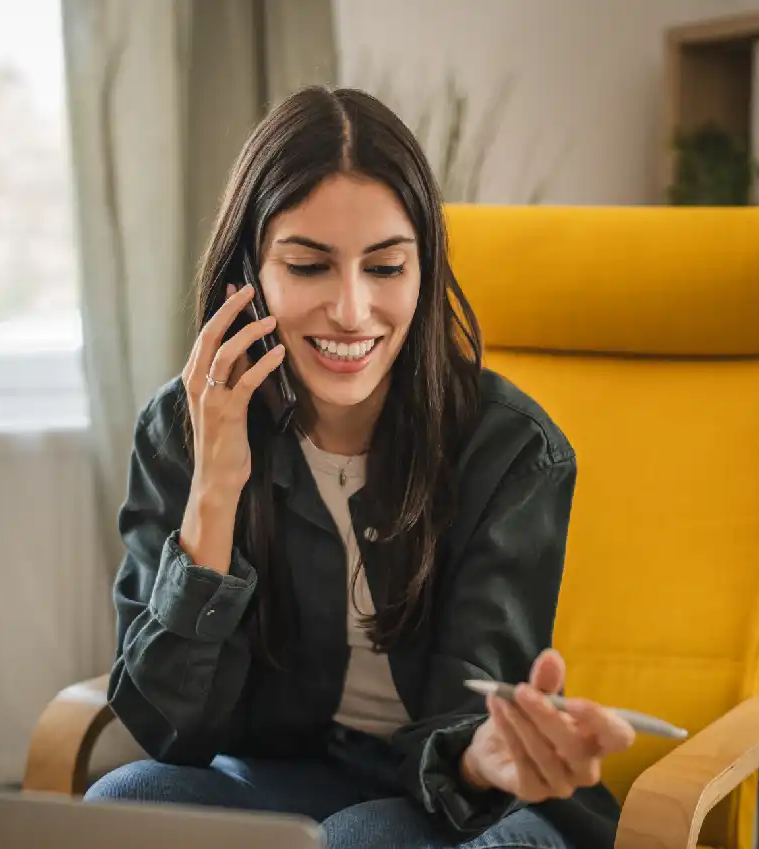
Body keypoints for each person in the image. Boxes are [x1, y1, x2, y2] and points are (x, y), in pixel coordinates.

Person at [85, 85, 636, 849]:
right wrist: (214, 486)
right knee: (125, 804)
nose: (351, 309)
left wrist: (486, 756)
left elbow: (471, 713)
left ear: (423, 270)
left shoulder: (509, 449)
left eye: (385, 268)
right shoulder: (183, 428)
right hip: (296, 775)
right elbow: (166, 726)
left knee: (360, 843)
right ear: (251, 272)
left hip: (472, 802)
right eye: (309, 265)